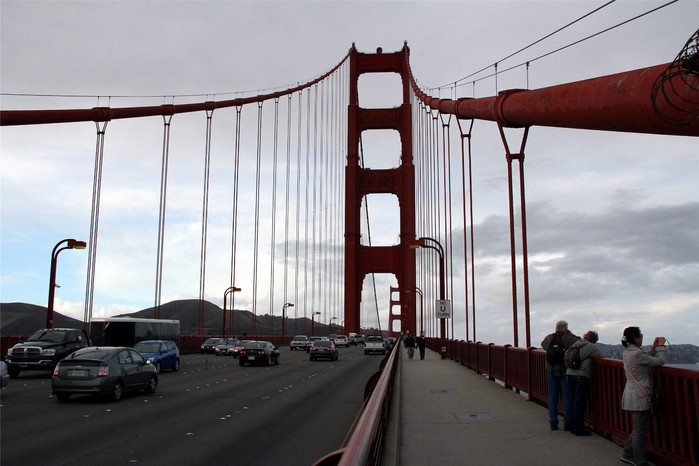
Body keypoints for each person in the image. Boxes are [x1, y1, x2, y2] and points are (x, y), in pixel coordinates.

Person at [620, 326, 668, 466]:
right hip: (639, 395)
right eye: (640, 336)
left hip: (632, 393)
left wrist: (652, 348)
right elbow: (660, 362)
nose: (642, 338)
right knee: (641, 430)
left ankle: (627, 454)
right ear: (636, 338)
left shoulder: (628, 352)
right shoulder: (636, 353)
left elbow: (644, 359)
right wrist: (661, 348)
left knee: (639, 428)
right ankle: (640, 461)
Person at [541, 320, 579, 430]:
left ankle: (553, 422)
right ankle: (567, 422)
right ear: (565, 329)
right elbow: (579, 342)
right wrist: (571, 335)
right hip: (564, 371)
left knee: (552, 397)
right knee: (567, 397)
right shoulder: (567, 338)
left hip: (551, 371)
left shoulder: (549, 338)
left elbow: (543, 345)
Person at [565, 330, 604, 436]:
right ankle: (578, 428)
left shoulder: (576, 344)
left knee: (570, 400)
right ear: (594, 340)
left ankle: (569, 424)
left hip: (569, 373)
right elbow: (602, 357)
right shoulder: (591, 346)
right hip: (581, 375)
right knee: (579, 402)